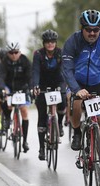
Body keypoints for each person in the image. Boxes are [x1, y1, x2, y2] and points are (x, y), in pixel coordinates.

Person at [62, 9, 100, 185]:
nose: (92, 33)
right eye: (88, 29)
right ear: (82, 29)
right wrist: (76, 89)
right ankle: (77, 132)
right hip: (76, 82)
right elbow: (67, 68)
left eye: (96, 29)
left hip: (97, 84)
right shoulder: (73, 41)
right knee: (74, 101)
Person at [32, 29, 67, 160]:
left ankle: (59, 124)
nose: (50, 44)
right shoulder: (38, 54)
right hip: (42, 84)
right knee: (42, 116)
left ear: (56, 43)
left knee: (63, 101)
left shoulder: (60, 53)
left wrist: (65, 85)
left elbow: (64, 69)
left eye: (53, 42)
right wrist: (35, 85)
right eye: (47, 42)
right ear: (44, 43)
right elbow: (35, 71)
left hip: (58, 81)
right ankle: (41, 148)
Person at [0, 42, 32, 153]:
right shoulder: (4, 62)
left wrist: (30, 88)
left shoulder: (24, 60)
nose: (13, 55)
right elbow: (1, 77)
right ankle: (7, 118)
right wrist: (2, 88)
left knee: (24, 111)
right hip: (9, 87)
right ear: (7, 53)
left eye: (16, 52)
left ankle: (25, 141)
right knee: (3, 97)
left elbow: (30, 76)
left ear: (19, 52)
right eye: (11, 53)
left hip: (22, 87)